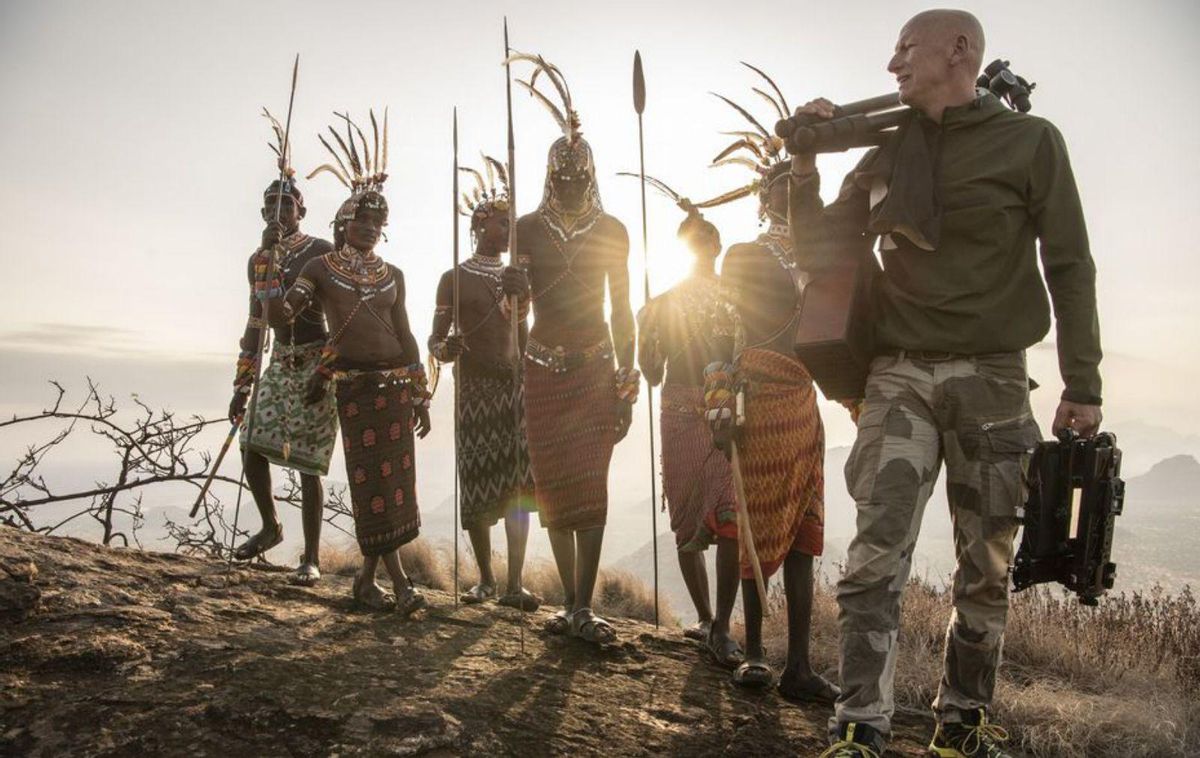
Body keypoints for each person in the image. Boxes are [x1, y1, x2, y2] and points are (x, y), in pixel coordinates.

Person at [791, 11, 1103, 758]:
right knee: (872, 560)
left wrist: (1082, 381)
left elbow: (1070, 263)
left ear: (959, 51)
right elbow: (818, 246)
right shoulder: (888, 155)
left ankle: (961, 722)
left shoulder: (1031, 143)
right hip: (898, 373)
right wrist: (804, 166)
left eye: (906, 47)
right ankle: (860, 725)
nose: (891, 61)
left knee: (987, 564)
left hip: (994, 379)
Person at [704, 74, 838, 703]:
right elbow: (719, 335)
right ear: (763, 196)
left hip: (804, 403)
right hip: (755, 401)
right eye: (778, 187)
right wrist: (719, 399)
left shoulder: (825, 258)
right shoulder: (743, 257)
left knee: (806, 537)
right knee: (750, 530)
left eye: (797, 186)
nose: (787, 196)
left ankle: (800, 664)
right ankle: (755, 652)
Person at [269, 109, 433, 615]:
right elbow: (283, 316)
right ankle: (402, 585)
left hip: (396, 387)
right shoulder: (319, 268)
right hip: (355, 388)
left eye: (376, 221)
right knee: (373, 487)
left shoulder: (394, 274)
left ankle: (366, 582)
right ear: (341, 223)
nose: (367, 227)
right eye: (359, 219)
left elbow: (405, 335)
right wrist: (271, 270)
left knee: (396, 485)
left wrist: (420, 391)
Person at [510, 53, 636, 644]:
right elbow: (518, 312)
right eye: (559, 179)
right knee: (551, 484)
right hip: (540, 368)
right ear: (547, 176)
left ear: (591, 175)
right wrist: (513, 290)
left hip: (594, 367)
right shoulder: (526, 230)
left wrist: (628, 380)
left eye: (577, 179)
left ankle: (584, 605)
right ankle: (568, 601)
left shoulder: (612, 231)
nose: (568, 187)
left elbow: (622, 309)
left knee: (592, 482)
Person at [631, 175, 743, 667]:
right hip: (679, 406)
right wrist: (647, 330)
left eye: (708, 239)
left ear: (717, 245)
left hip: (724, 413)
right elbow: (652, 372)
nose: (704, 246)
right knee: (686, 518)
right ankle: (706, 620)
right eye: (696, 240)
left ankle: (720, 623)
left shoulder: (737, 296)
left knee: (728, 514)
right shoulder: (660, 304)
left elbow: (748, 352)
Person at [229, 111, 336, 586]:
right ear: (262, 214)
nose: (278, 213)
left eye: (286, 205)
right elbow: (256, 323)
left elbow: (339, 316)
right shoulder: (258, 259)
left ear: (301, 211)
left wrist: (329, 370)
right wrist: (242, 383)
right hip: (280, 361)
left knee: (309, 463)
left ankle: (310, 557)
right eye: (270, 206)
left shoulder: (322, 251)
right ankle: (271, 525)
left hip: (317, 361)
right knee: (252, 443)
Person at [429, 155, 539, 611]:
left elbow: (524, 335)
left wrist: (525, 294)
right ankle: (487, 580)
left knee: (516, 486)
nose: (507, 231)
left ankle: (515, 583)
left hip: (513, 389)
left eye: (511, 224)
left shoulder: (518, 277)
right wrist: (445, 349)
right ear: (479, 226)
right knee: (476, 483)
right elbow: (435, 339)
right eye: (499, 223)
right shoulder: (454, 279)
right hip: (473, 389)